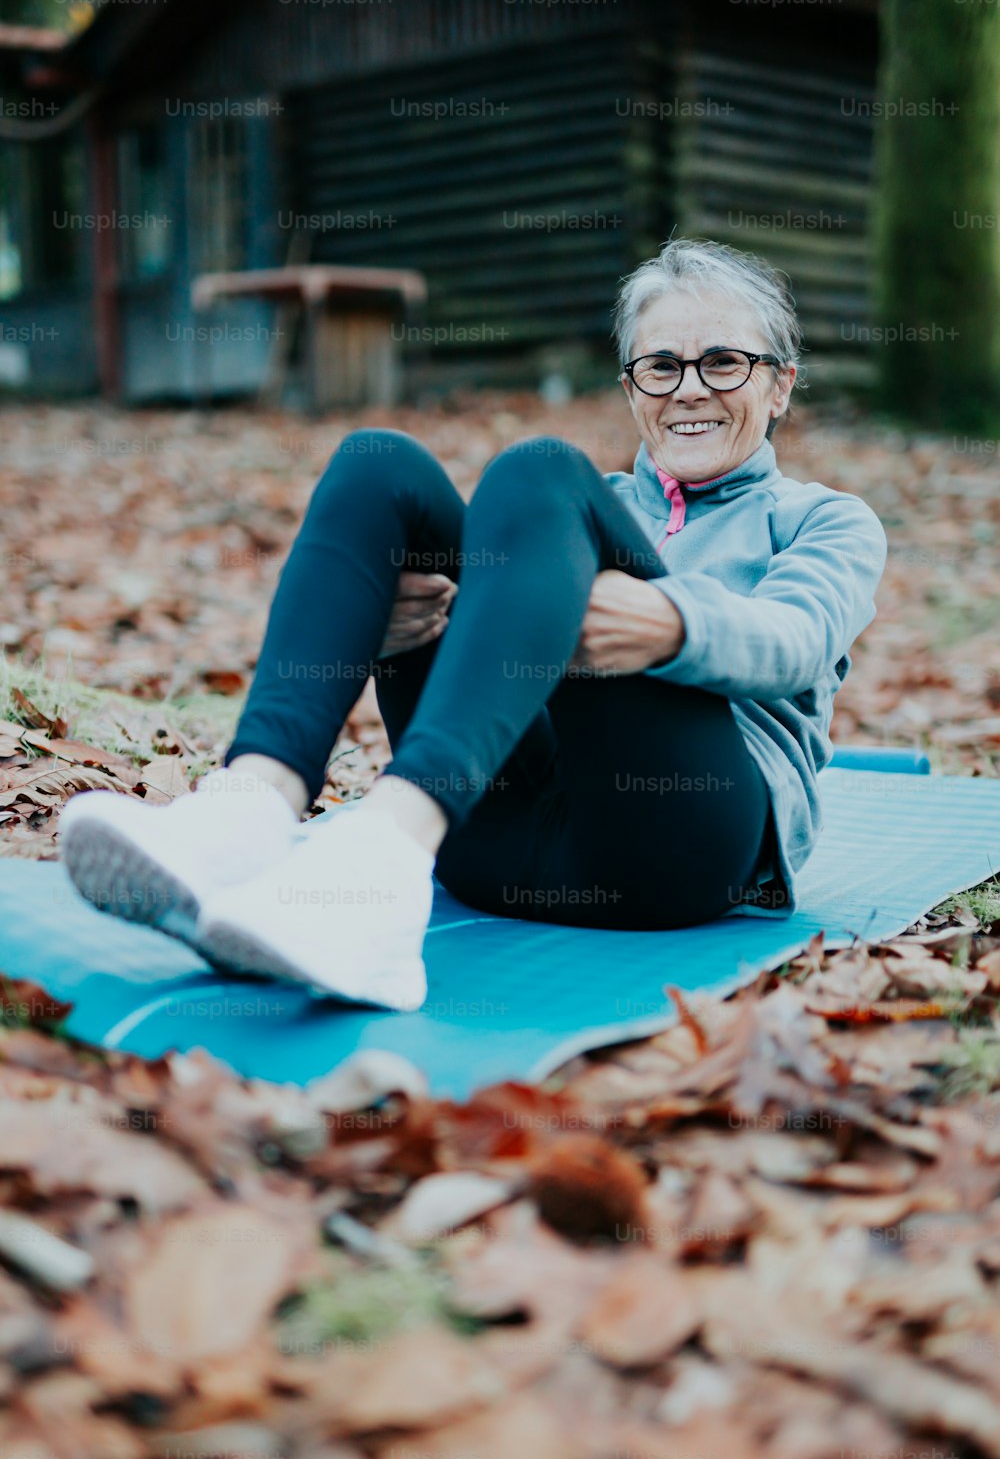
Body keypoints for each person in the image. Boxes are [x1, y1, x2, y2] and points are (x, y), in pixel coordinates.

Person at [59, 238, 887, 1011]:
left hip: (673, 848)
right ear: (633, 389)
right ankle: (248, 811)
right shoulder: (575, 515)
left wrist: (670, 624)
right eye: (661, 366)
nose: (690, 388)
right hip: (489, 845)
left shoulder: (823, 520)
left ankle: (383, 853)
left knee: (538, 472)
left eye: (724, 363)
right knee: (378, 465)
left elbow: (797, 640)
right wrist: (398, 633)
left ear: (780, 384)